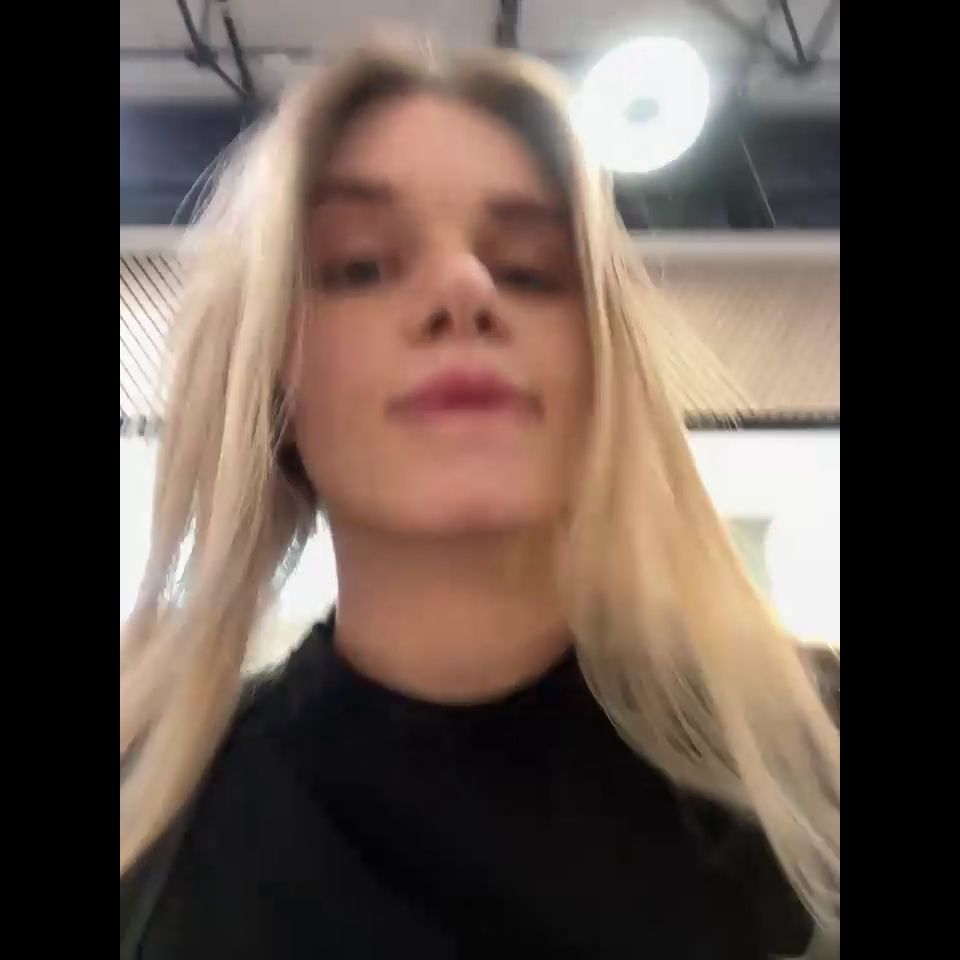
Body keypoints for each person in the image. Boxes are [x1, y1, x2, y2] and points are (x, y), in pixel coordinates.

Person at [120, 41, 839, 959]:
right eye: (361, 265)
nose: (465, 286)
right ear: (271, 383)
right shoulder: (151, 834)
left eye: (531, 268)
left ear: (601, 375)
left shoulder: (813, 763)